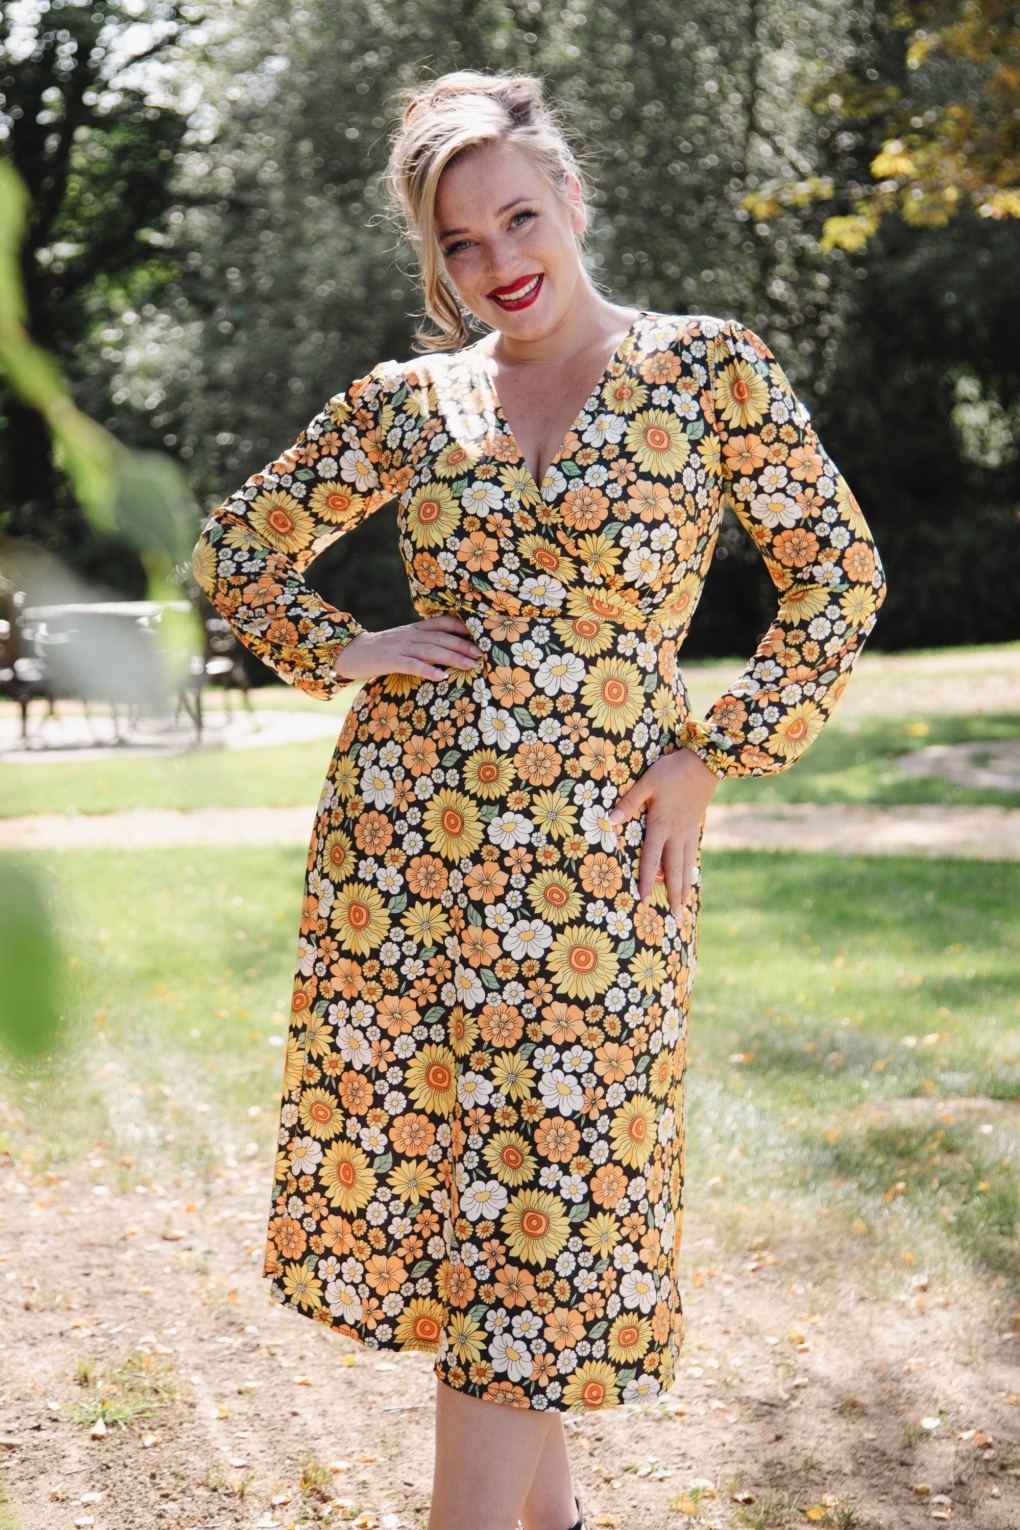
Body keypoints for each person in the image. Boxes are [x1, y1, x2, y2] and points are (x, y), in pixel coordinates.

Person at [192, 68, 886, 1530]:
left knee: (551, 1192)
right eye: (460, 242)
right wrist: (346, 648)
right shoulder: (414, 401)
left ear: (571, 199)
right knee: (488, 1204)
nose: (499, 260)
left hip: (602, 856)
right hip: (412, 851)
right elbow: (238, 550)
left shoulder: (706, 372)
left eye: (518, 217)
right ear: (435, 261)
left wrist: (716, 751)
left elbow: (838, 575)